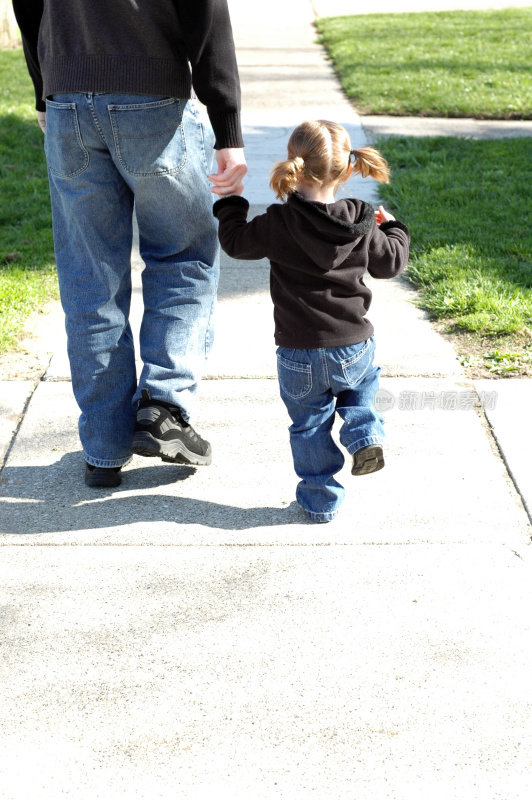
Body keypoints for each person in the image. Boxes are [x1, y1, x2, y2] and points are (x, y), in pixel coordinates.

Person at [12, 0, 247, 488]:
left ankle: (103, 445)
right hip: (151, 99)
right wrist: (227, 126)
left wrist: (45, 90)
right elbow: (206, 12)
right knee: (184, 256)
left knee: (89, 274)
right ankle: (163, 407)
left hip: (69, 100)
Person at [213, 120, 410, 522]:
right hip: (352, 344)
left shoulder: (278, 222)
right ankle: (363, 433)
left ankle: (321, 502)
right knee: (362, 384)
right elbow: (390, 263)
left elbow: (235, 243)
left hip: (297, 352)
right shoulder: (360, 219)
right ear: (349, 168)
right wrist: (393, 228)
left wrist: (231, 203)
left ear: (293, 166)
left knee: (308, 427)